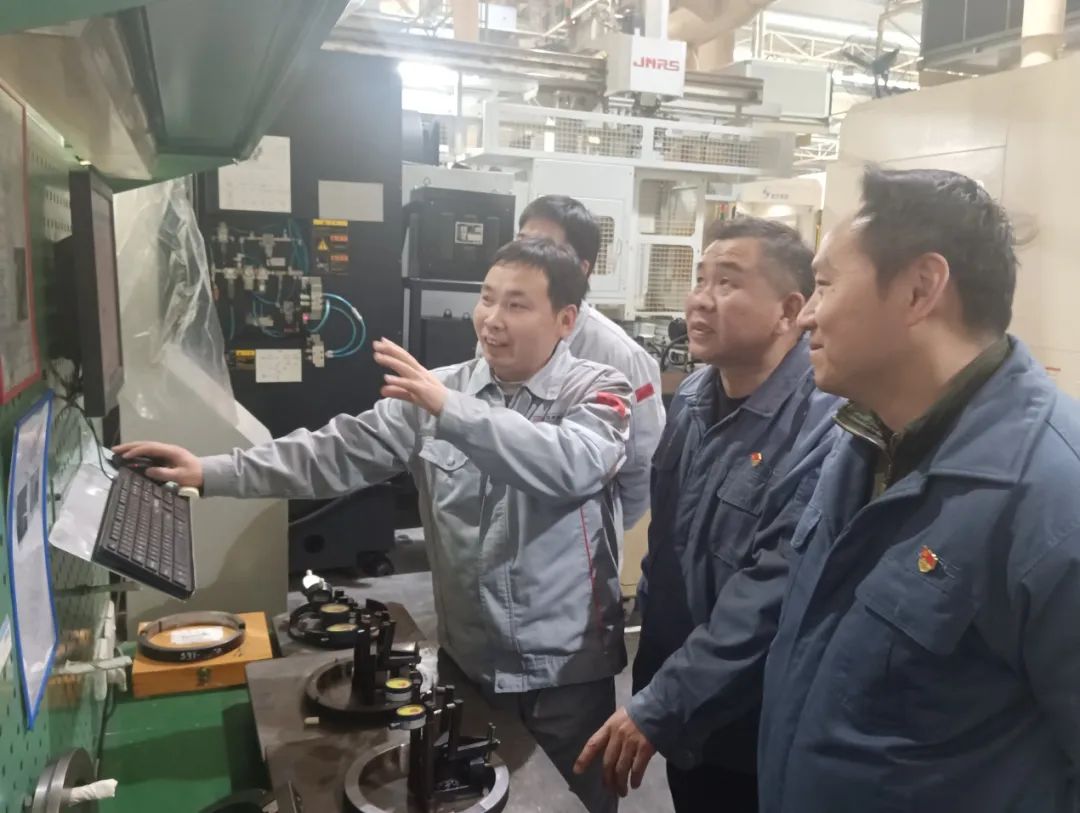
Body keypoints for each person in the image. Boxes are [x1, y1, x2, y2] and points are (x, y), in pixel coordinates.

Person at [117, 237, 630, 813]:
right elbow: (331, 452)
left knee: (573, 803)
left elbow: (568, 464)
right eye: (487, 298)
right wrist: (210, 471)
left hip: (563, 678)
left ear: (565, 320)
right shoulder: (437, 392)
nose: (492, 319)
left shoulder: (598, 391)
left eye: (517, 305)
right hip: (469, 663)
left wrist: (450, 411)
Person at [758, 166, 1080, 812]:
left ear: (919, 290)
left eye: (825, 285)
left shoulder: (1050, 498)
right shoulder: (864, 440)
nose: (806, 315)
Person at [575, 217, 840, 811]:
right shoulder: (694, 396)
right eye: (700, 279)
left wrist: (663, 702)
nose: (699, 299)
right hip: (682, 707)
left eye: (727, 282)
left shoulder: (822, 427)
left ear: (789, 310)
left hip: (754, 724)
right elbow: (667, 549)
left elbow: (772, 594)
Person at [510, 195, 664, 529]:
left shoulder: (619, 355)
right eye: (521, 244)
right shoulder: (499, 333)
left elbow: (642, 466)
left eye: (544, 248)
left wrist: (602, 535)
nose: (525, 259)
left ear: (581, 270)